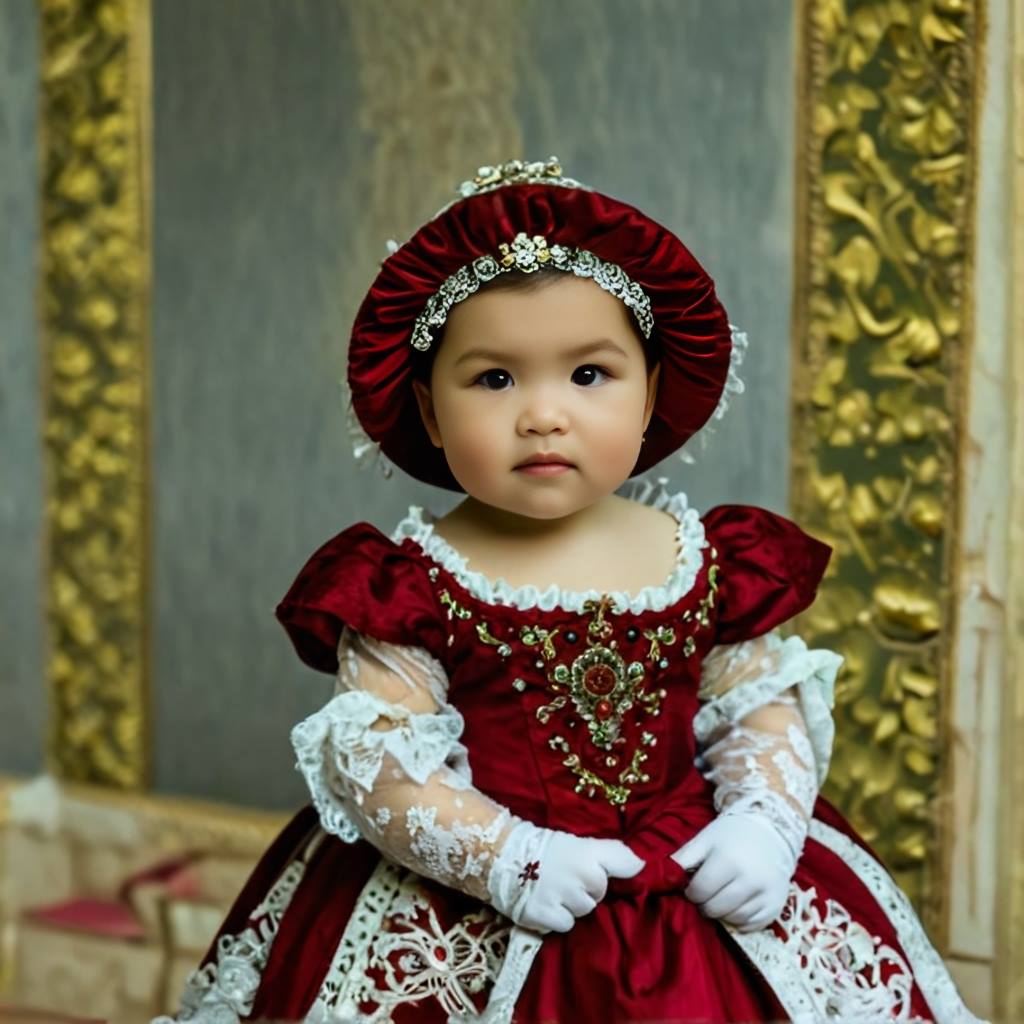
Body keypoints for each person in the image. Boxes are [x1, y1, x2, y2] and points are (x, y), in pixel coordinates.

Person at [158, 159, 983, 1023]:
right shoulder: (411, 585)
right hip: (482, 899)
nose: (543, 414)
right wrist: (508, 856)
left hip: (694, 877)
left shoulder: (703, 559)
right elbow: (384, 767)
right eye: (494, 379)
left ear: (651, 393)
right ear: (431, 415)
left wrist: (764, 823)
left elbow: (758, 707)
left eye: (588, 375)